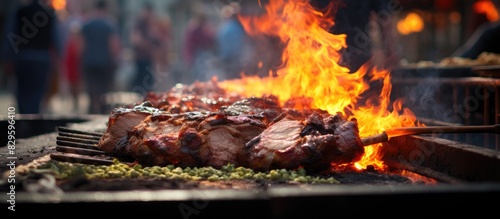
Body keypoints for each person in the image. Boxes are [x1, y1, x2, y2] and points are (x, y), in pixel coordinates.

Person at [1, 0, 62, 114]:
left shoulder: (19, 11)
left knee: (22, 92)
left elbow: (10, 36)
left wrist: (7, 58)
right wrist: (58, 58)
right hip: (42, 59)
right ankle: (33, 119)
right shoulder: (48, 13)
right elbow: (56, 39)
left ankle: (23, 119)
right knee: (37, 93)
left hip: (22, 58)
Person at [311, 0, 400, 72]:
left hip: (361, 56)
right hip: (325, 58)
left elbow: (384, 17)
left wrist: (390, 50)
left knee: (362, 89)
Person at [79, 0, 121, 114]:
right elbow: (113, 44)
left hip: (89, 62)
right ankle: (103, 112)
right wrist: (115, 59)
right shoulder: (110, 24)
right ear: (105, 9)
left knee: (91, 89)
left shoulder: (87, 24)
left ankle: (92, 110)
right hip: (105, 63)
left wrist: (82, 59)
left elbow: (81, 45)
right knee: (105, 90)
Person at [129, 1, 162, 94]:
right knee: (140, 85)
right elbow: (136, 40)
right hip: (141, 59)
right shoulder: (139, 24)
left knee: (148, 85)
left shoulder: (149, 24)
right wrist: (150, 47)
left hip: (148, 59)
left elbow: (157, 38)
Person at [182, 8, 217, 83]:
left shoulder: (205, 29)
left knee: (206, 75)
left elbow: (211, 41)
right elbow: (189, 44)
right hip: (196, 57)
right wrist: (189, 58)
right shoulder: (193, 29)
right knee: (198, 77)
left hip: (204, 56)